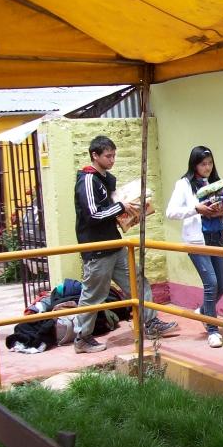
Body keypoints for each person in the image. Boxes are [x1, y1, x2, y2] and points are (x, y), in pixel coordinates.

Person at [73, 135, 177, 353]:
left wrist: (130, 213)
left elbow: (109, 212)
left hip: (115, 245)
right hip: (97, 249)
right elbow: (94, 214)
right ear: (95, 156)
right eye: (107, 156)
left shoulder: (104, 179)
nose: (112, 160)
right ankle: (82, 338)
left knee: (138, 282)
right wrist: (121, 206)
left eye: (114, 155)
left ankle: (150, 323)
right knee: (93, 295)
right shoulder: (88, 181)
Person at [166, 146, 223, 348]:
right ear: (194, 165)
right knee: (211, 283)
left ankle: (204, 310)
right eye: (203, 164)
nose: (207, 167)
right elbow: (171, 212)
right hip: (196, 240)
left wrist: (222, 211)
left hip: (216, 237)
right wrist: (196, 209)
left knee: (222, 285)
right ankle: (212, 329)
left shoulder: (216, 183)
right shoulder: (184, 184)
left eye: (210, 163)